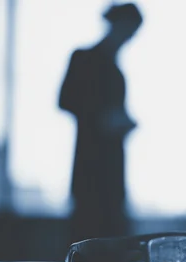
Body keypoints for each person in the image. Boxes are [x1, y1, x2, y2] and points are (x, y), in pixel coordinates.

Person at [59, 3, 142, 243]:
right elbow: (65, 100)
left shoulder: (116, 71)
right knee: (89, 234)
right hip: (90, 166)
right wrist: (102, 118)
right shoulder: (84, 58)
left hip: (112, 167)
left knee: (111, 235)